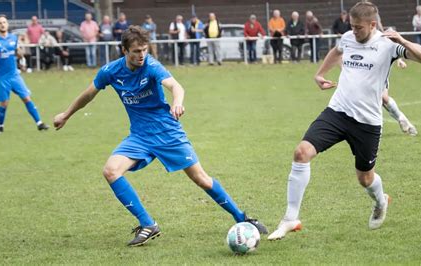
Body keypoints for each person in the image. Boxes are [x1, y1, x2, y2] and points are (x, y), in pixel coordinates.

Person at [53, 25, 268, 246]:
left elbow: (175, 86)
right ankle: (148, 224)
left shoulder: (152, 66)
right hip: (139, 137)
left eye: (144, 50)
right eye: (136, 51)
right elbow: (89, 94)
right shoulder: (110, 71)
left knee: (201, 179)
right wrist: (66, 114)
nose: (141, 55)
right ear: (124, 50)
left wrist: (177, 103)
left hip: (167, 132)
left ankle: (242, 217)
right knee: (110, 171)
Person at [268, 2, 421, 240]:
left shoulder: (388, 44)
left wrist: (403, 41)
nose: (354, 31)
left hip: (367, 123)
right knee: (301, 152)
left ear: (372, 24)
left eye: (359, 28)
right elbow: (337, 51)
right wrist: (320, 74)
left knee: (365, 178)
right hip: (337, 112)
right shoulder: (348, 37)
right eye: (352, 27)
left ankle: (381, 200)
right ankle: (290, 219)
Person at [0, 15, 50, 133]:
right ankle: (0, 126)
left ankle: (39, 123)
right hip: (1, 77)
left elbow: (19, 53)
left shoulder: (13, 38)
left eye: (4, 22)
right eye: (0, 23)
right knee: (4, 103)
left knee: (26, 98)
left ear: (7, 24)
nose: (2, 24)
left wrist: (20, 53)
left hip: (14, 75)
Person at [376, 15, 417, 135]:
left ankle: (402, 119)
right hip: (363, 74)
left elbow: (392, 49)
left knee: (383, 98)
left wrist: (399, 60)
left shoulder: (382, 36)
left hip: (380, 74)